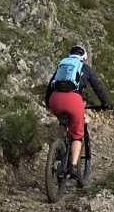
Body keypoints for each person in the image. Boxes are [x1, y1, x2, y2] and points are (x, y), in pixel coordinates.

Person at [45, 42, 108, 175]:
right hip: (73, 101)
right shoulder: (85, 68)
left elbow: (50, 86)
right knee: (77, 136)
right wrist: (105, 103)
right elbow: (97, 87)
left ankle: (58, 150)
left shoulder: (62, 67)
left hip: (55, 99)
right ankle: (73, 166)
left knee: (62, 123)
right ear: (83, 58)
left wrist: (48, 102)